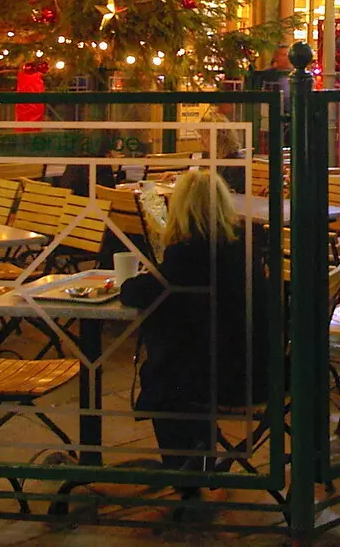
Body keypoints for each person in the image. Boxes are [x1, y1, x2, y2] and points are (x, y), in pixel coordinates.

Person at [120, 169, 272, 487]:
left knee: (162, 377)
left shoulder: (188, 254)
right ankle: (199, 460)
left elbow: (142, 292)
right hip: (262, 369)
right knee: (183, 357)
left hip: (219, 379)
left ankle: (185, 472)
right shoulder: (242, 246)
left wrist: (128, 281)